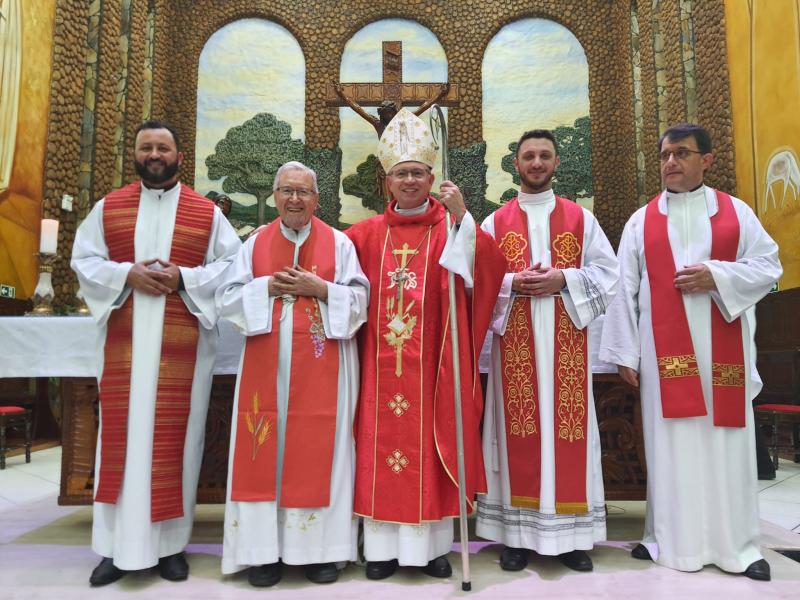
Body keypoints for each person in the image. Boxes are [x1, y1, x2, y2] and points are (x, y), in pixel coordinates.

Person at [599, 123, 782, 581]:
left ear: (707, 160)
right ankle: (668, 538)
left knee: (727, 445)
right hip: (664, 357)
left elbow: (769, 266)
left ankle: (738, 545)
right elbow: (625, 289)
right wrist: (625, 352)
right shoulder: (642, 220)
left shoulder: (736, 213)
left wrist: (716, 277)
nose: (671, 163)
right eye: (665, 155)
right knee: (671, 447)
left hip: (723, 355)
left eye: (681, 153)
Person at [71, 120, 241, 585]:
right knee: (119, 445)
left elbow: (232, 265)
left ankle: (170, 547)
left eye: (162, 147)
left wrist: (183, 279)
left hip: (181, 348)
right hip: (125, 344)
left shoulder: (205, 213)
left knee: (179, 444)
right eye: (146, 146)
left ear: (178, 156)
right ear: (136, 154)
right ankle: (111, 549)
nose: (154, 154)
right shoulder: (109, 207)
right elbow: (83, 259)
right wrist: (127, 275)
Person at [345, 108, 506, 580]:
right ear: (387, 180)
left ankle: (432, 549)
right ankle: (379, 550)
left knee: (435, 444)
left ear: (433, 177)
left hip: (436, 369)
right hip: (380, 368)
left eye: (418, 172)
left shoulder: (452, 229)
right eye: (401, 174)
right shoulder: (361, 237)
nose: (410, 180)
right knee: (378, 443)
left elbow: (487, 274)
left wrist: (462, 220)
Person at [216, 161, 369, 587]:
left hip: (325, 374)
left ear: (317, 199)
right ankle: (261, 554)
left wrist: (321, 290)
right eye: (287, 191)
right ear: (276, 195)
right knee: (262, 450)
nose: (295, 199)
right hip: (266, 374)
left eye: (303, 192)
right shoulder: (253, 245)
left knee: (322, 449)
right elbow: (225, 299)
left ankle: (319, 552)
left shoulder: (339, 245)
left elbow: (360, 302)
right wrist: (265, 287)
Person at [475, 129, 619, 573]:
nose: (536, 163)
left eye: (544, 156)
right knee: (513, 433)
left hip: (566, 345)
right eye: (528, 156)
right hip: (513, 347)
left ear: (557, 163)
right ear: (515, 164)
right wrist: (511, 283)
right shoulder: (494, 223)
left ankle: (573, 537)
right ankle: (515, 536)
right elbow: (476, 282)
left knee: (569, 435)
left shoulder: (581, 219)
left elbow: (608, 273)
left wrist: (564, 280)